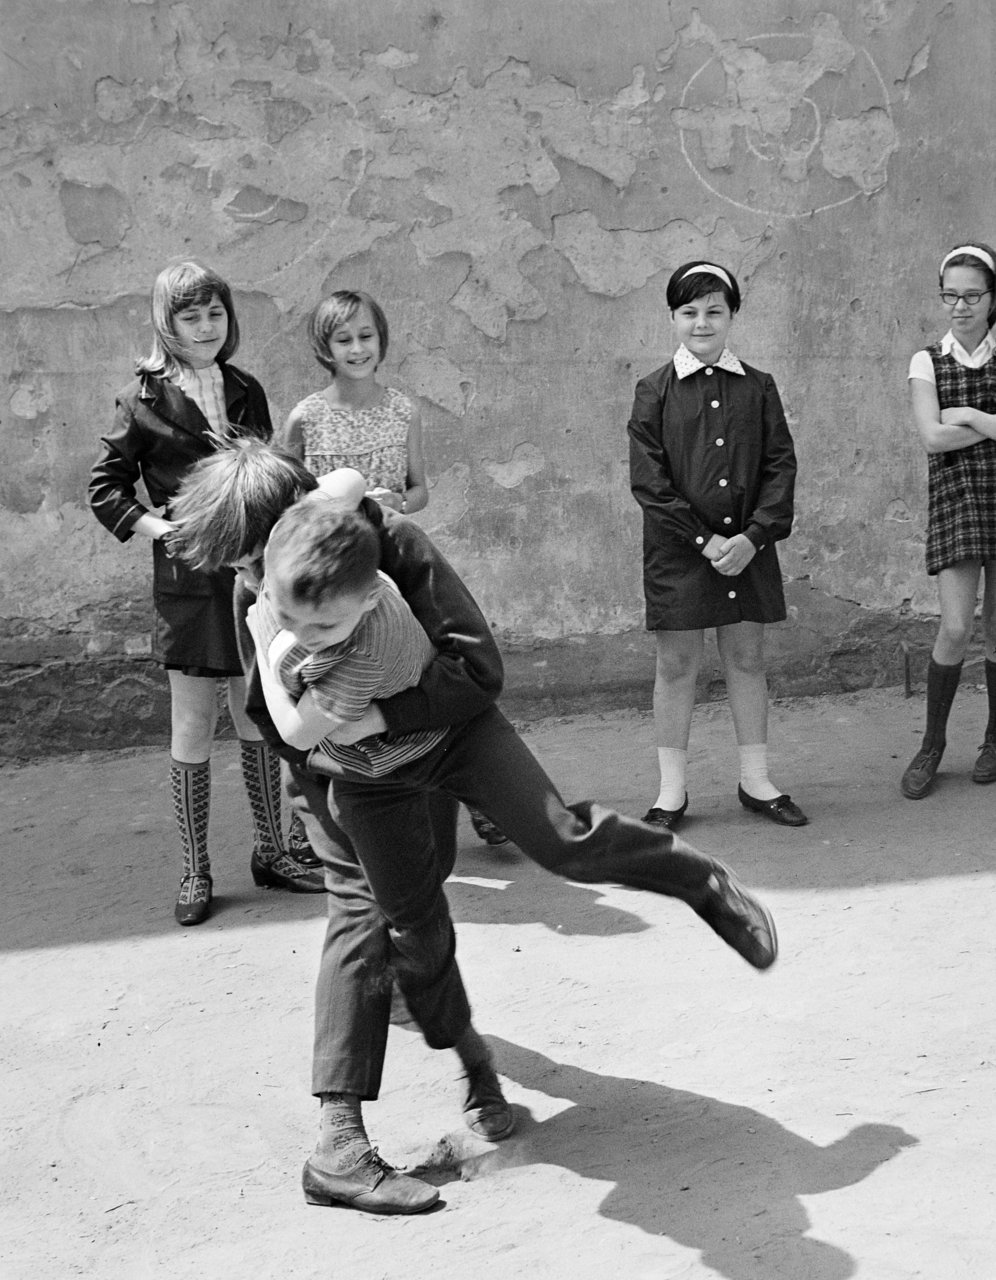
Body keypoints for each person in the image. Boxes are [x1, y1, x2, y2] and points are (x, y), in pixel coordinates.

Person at [165, 439, 781, 1217]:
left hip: (454, 732)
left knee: (560, 840)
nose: (255, 584)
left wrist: (382, 716)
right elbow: (273, 716)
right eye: (242, 569)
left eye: (256, 559)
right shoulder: (259, 591)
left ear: (304, 525)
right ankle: (371, 1126)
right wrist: (326, 779)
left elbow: (477, 670)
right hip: (352, 778)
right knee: (385, 922)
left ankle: (699, 880)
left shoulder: (391, 547)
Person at [87, 260, 322, 926]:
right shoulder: (140, 399)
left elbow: (268, 473)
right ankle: (195, 869)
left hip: (250, 574)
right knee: (192, 722)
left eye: (215, 313)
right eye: (190, 316)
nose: (205, 327)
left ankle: (273, 852)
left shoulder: (245, 388)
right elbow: (104, 488)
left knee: (256, 711)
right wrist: (164, 530)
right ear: (167, 322)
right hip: (188, 581)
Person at [281, 288, 508, 847]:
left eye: (366, 336)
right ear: (324, 347)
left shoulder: (403, 409)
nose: (357, 348)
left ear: (382, 341)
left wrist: (397, 502)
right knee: (322, 684)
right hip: (332, 574)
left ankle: (477, 795)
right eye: (344, 339)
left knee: (426, 672)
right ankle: (315, 818)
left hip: (394, 560)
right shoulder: (305, 416)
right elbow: (287, 499)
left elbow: (420, 488)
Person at [628, 260, 807, 829]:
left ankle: (756, 780)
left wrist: (754, 537)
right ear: (672, 318)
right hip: (680, 552)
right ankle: (671, 793)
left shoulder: (758, 386)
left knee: (747, 658)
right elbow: (649, 483)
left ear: (732, 316)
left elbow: (780, 466)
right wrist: (705, 541)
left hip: (748, 549)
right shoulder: (653, 391)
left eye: (714, 311)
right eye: (689, 312)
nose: (701, 323)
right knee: (677, 664)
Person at [900, 242, 996, 799]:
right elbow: (933, 438)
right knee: (957, 627)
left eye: (971, 296)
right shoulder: (925, 361)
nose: (959, 307)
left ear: (992, 298)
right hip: (957, 500)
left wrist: (965, 414)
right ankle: (932, 745)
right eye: (950, 296)